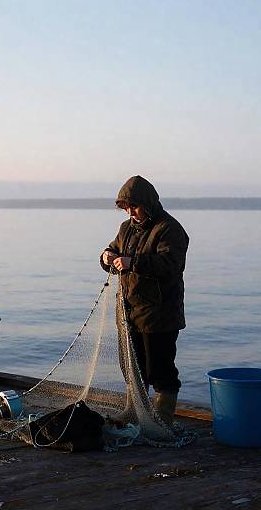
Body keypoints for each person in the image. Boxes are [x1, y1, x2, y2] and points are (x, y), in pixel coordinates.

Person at [100, 175, 189, 426]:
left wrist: (132, 263)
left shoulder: (170, 229)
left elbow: (171, 265)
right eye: (126, 208)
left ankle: (162, 419)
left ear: (148, 203)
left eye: (135, 206)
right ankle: (133, 412)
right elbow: (114, 249)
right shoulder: (126, 229)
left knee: (160, 370)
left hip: (159, 314)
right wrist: (107, 256)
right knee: (131, 367)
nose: (130, 212)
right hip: (128, 312)